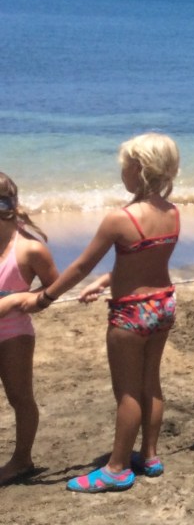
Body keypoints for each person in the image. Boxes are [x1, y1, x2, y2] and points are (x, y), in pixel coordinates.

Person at [13, 134, 180, 492]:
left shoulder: (119, 219)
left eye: (124, 165)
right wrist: (109, 280)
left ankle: (118, 468)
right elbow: (146, 261)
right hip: (164, 303)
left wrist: (44, 298)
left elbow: (79, 267)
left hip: (131, 314)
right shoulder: (173, 213)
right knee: (151, 382)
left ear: (138, 169)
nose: (122, 172)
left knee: (127, 392)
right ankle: (149, 455)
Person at [0, 173, 58, 486]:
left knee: (20, 397)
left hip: (13, 334)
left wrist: (25, 298)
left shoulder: (29, 250)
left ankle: (22, 459)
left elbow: (53, 289)